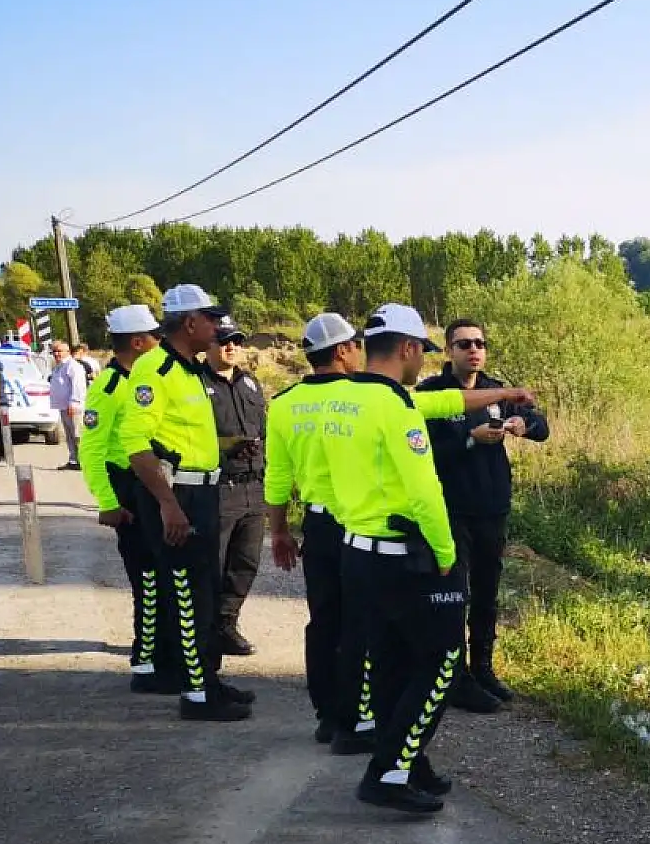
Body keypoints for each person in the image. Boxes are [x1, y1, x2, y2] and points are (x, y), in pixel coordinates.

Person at [268, 312, 538, 760]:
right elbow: (424, 487)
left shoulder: (321, 401)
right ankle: (386, 749)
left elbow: (280, 475)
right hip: (382, 537)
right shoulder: (389, 404)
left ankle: (340, 720)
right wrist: (445, 552)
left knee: (331, 624)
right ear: (408, 348)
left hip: (336, 528)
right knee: (405, 647)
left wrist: (278, 528)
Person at [117, 283, 254, 722]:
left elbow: (184, 437)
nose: (217, 326)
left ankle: (206, 679)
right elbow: (135, 443)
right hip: (178, 495)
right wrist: (168, 505)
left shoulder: (190, 369)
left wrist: (228, 449)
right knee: (188, 597)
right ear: (190, 322)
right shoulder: (154, 368)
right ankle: (196, 694)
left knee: (206, 592)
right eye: (211, 319)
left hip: (204, 491)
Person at [417, 318, 548, 712]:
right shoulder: (431, 394)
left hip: (492, 505)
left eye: (480, 343)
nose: (474, 349)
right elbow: (422, 452)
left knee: (487, 593)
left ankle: (483, 669)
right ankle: (454, 678)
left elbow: (543, 427)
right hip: (451, 510)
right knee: (453, 595)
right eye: (464, 344)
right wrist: (469, 440)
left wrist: (525, 423)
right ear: (448, 351)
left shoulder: (496, 390)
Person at [81, 305, 181, 693]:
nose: (161, 343)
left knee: (163, 574)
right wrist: (108, 502)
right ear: (138, 342)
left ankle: (167, 657)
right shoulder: (109, 386)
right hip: (126, 489)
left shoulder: (146, 378)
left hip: (150, 484)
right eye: (156, 337)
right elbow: (92, 450)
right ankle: (146, 663)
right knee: (147, 579)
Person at [205, 316, 266, 657]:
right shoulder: (197, 383)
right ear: (209, 345)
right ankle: (205, 630)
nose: (231, 347)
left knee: (246, 563)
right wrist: (227, 446)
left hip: (253, 486)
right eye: (224, 341)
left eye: (237, 341)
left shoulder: (250, 383)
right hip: (218, 487)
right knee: (213, 564)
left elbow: (265, 430)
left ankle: (227, 624)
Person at [48, 340, 88, 470]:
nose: (56, 354)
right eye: (54, 351)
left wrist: (74, 402)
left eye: (59, 351)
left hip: (73, 407)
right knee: (69, 435)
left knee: (78, 434)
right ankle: (73, 460)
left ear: (67, 352)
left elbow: (78, 386)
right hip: (63, 406)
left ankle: (84, 461)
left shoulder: (73, 366)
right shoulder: (59, 366)